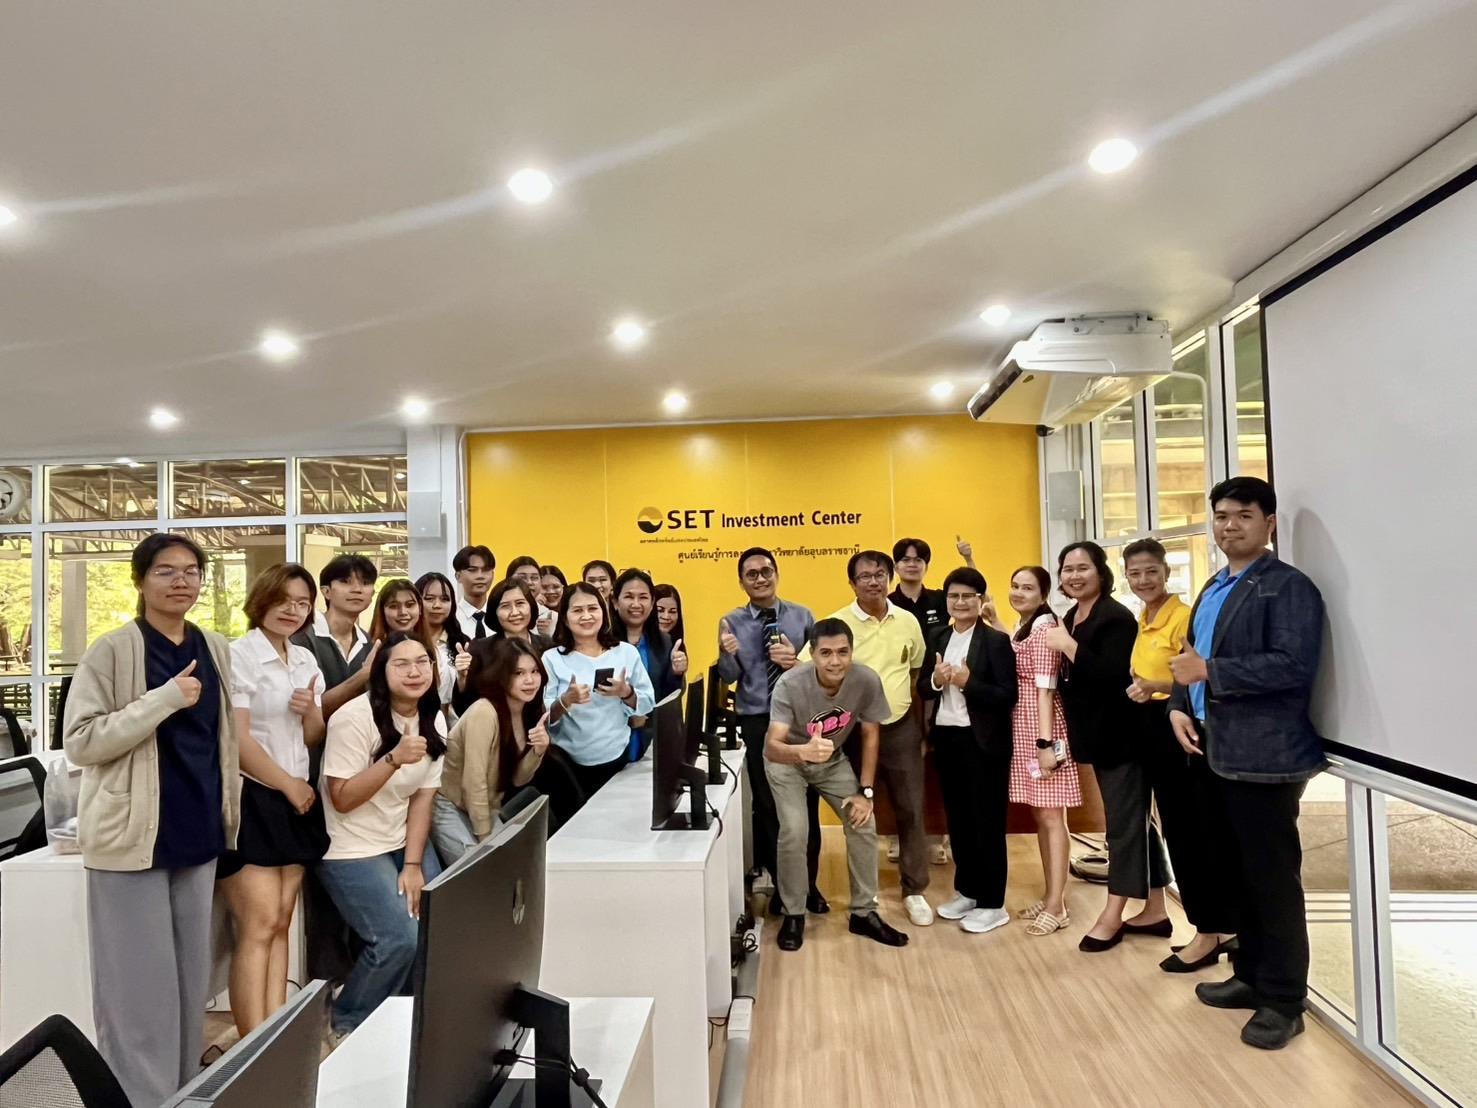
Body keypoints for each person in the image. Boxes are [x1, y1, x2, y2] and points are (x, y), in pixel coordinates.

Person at [62, 533, 240, 1107]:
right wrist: (162, 700)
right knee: (136, 990)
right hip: (131, 838)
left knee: (189, 985)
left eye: (191, 571)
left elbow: (223, 739)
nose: (181, 581)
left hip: (198, 831)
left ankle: (181, 1090)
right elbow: (81, 742)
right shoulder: (112, 650)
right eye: (165, 571)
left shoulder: (214, 647)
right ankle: (138, 1099)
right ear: (140, 581)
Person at [1168, 477, 1326, 1050]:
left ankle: (1283, 1000)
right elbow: (1188, 659)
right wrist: (1178, 706)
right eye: (1221, 515)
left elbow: (1293, 664)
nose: (1229, 525)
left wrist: (1210, 675)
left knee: (1272, 880)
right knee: (1234, 874)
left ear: (1269, 524)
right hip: (1211, 750)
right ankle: (1252, 975)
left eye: (1243, 515)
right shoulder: (1214, 586)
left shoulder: (1287, 586)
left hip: (1264, 757)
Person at [316, 632, 446, 1041]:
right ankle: (346, 1019)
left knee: (437, 925)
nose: (414, 672)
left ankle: (399, 1016)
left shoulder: (432, 716)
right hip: (349, 845)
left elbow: (422, 799)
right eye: (401, 664)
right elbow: (342, 799)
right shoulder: (353, 718)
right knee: (398, 939)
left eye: (422, 662)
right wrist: (392, 760)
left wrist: (413, 864)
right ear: (380, 672)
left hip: (398, 839)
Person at [222, 564, 330, 1039]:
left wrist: (310, 714)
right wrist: (287, 785)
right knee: (258, 922)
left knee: (283, 920)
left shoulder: (305, 659)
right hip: (255, 796)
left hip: (297, 795)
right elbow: (238, 741)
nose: (293, 610)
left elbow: (313, 734)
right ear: (262, 600)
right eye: (284, 600)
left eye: (303, 603)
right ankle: (251, 1044)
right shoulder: (239, 656)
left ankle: (276, 1032)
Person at [1047, 542, 1171, 954]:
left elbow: (1113, 675)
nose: (1074, 576)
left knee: (1122, 826)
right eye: (1067, 569)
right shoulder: (1072, 616)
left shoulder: (1115, 617)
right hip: (1097, 738)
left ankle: (1112, 914)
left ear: (1101, 572)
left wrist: (1067, 646)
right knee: (1137, 824)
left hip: (1124, 738)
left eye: (1083, 568)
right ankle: (1155, 909)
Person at [1121, 540, 1238, 973]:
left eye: (1151, 571)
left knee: (1192, 835)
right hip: (1151, 730)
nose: (1144, 580)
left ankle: (1211, 932)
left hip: (1179, 730)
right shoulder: (1144, 617)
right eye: (1135, 574)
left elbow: (1197, 678)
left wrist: (1155, 687)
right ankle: (1213, 927)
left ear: (1166, 572)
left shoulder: (1183, 616)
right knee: (1176, 832)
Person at [764, 619, 909, 951]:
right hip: (788, 762)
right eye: (826, 653)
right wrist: (803, 751)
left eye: (843, 652)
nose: (835, 661)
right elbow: (772, 747)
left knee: (863, 821)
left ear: (852, 652)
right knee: (795, 831)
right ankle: (794, 913)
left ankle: (864, 913)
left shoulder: (865, 680)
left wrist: (865, 792)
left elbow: (871, 735)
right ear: (812, 654)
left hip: (831, 762)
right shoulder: (790, 683)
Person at [806, 550, 932, 925]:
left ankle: (915, 890)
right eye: (864, 576)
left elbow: (915, 674)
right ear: (852, 583)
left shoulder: (907, 621)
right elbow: (807, 668)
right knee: (856, 811)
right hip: (852, 733)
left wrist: (921, 729)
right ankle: (864, 895)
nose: (873, 582)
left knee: (912, 808)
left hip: (899, 726)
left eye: (880, 575)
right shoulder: (837, 623)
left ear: (890, 579)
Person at [717, 548, 827, 916]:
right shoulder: (730, 622)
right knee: (768, 807)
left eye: (766, 571)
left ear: (776, 574)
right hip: (758, 721)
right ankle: (784, 887)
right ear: (741, 582)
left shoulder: (802, 616)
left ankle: (809, 885)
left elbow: (824, 671)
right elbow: (729, 677)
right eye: (751, 574)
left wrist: (795, 663)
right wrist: (726, 654)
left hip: (799, 719)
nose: (760, 578)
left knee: (807, 805)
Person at [917, 568, 1017, 935]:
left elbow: (1007, 695)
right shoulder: (938, 635)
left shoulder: (995, 642)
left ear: (980, 600)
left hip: (983, 743)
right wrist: (936, 679)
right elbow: (923, 687)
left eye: (967, 596)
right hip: (947, 739)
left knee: (987, 823)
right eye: (953, 596)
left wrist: (968, 682)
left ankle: (993, 903)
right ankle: (968, 891)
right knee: (958, 821)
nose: (960, 602)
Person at [1006, 565, 1081, 937]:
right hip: (1024, 726)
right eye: (1015, 586)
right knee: (1041, 814)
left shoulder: (1046, 628)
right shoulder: (1025, 625)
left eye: (1028, 588)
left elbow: (1046, 690)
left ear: (1043, 594)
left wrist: (1045, 744)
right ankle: (1051, 894)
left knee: (1052, 817)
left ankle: (1057, 906)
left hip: (1042, 728)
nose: (1019, 593)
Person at [430, 638, 551, 862]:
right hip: (450, 803)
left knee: (505, 863)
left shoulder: (527, 710)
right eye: (519, 673)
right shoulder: (484, 712)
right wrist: (486, 839)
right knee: (479, 866)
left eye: (534, 671)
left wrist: (537, 751)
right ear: (502, 676)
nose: (530, 680)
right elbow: (473, 781)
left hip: (486, 804)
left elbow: (518, 779)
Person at [542, 582, 656, 801]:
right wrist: (566, 700)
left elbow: (648, 702)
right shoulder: (552, 658)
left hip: (618, 757)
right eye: (578, 610)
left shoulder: (626, 653)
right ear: (565, 618)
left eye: (593, 608)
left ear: (603, 613)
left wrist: (626, 692)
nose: (586, 616)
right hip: (568, 764)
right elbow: (544, 717)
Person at [295, 553, 378, 720]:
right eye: (346, 581)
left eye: (365, 582)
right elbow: (309, 709)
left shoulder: (367, 642)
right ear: (326, 591)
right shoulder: (301, 638)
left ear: (372, 594)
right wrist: (364, 674)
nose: (357, 589)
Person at [613, 568, 688, 701]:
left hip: (653, 714)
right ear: (615, 602)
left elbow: (666, 696)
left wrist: (675, 673)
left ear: (652, 603)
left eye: (643, 597)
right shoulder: (601, 641)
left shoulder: (664, 641)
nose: (636, 604)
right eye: (629, 597)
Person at [415, 571, 473, 720]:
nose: (437, 605)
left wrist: (463, 678)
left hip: (456, 722)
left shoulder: (462, 644)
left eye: (445, 599)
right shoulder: (407, 643)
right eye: (429, 599)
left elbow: (471, 695)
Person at [889, 537, 949, 635]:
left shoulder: (940, 599)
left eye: (918, 560)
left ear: (926, 567)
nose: (912, 564)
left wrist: (968, 559)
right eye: (906, 560)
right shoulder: (887, 604)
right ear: (895, 567)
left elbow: (972, 596)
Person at [453, 544, 497, 640]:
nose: (480, 576)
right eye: (472, 570)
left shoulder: (501, 615)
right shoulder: (451, 618)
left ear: (493, 575)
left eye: (486, 570)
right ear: (458, 576)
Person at [506, 554, 557, 636]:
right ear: (508, 580)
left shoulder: (552, 617)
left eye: (534, 578)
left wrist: (552, 635)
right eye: (522, 577)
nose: (529, 582)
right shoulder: (498, 613)